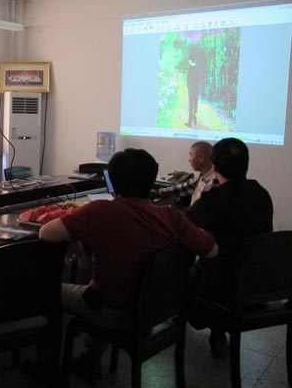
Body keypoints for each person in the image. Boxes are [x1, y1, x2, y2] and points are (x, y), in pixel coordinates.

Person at [39, 148, 217, 373]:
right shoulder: (173, 217)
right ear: (152, 180)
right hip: (158, 308)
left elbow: (46, 233)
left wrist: (74, 236)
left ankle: (47, 366)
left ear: (114, 181)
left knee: (46, 289)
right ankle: (91, 358)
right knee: (105, 282)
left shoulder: (101, 211)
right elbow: (212, 250)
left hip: (113, 311)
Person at [185, 137, 273, 357]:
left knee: (178, 275)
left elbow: (181, 224)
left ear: (214, 166)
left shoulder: (214, 199)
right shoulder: (261, 194)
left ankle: (172, 331)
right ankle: (217, 334)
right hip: (258, 288)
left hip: (222, 291)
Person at [156, 141, 216, 205]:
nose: (189, 159)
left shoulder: (213, 182)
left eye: (191, 155)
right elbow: (184, 187)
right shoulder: (201, 176)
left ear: (201, 158)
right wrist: (158, 192)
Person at [187, 49, 201, 127]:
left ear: (190, 61)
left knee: (191, 105)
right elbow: (199, 80)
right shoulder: (198, 69)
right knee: (195, 104)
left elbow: (188, 80)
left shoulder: (189, 70)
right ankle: (194, 117)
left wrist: (188, 87)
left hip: (191, 89)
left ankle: (190, 123)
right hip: (196, 88)